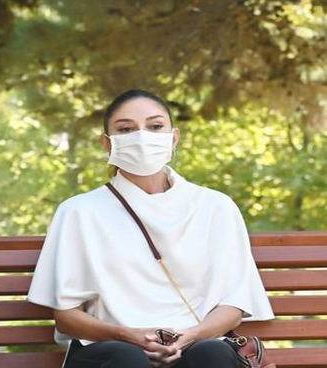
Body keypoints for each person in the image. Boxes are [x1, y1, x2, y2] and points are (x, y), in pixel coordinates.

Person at [27, 89, 274, 368]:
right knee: (126, 357)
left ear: (174, 137)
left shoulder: (216, 207)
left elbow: (233, 305)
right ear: (107, 143)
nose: (142, 137)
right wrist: (127, 335)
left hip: (197, 347)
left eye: (155, 126)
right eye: (126, 129)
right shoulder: (78, 212)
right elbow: (67, 317)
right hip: (111, 352)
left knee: (211, 354)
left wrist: (191, 336)